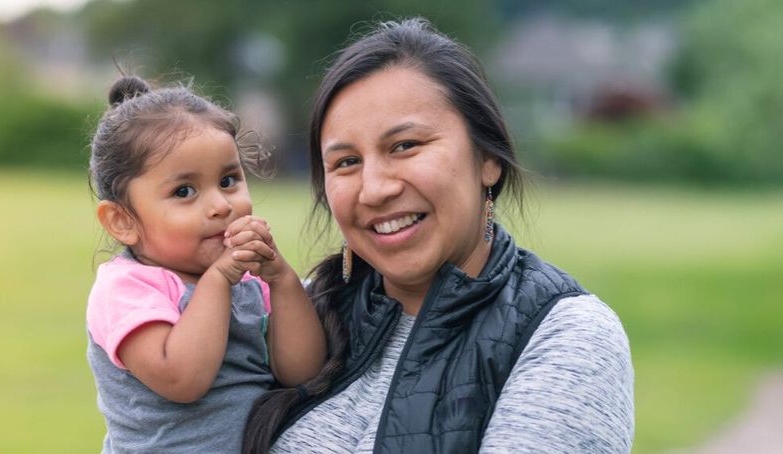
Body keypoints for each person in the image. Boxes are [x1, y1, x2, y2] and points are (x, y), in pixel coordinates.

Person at [242, 18, 634, 453]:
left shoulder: (565, 335)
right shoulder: (304, 314)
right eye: (346, 162)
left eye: (405, 146)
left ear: (487, 159)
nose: (374, 189)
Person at [85, 75, 326, 453]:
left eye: (229, 180)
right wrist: (217, 281)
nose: (221, 205)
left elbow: (302, 372)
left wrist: (281, 280)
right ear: (122, 221)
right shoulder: (127, 288)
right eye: (184, 192)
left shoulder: (249, 281)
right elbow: (182, 380)